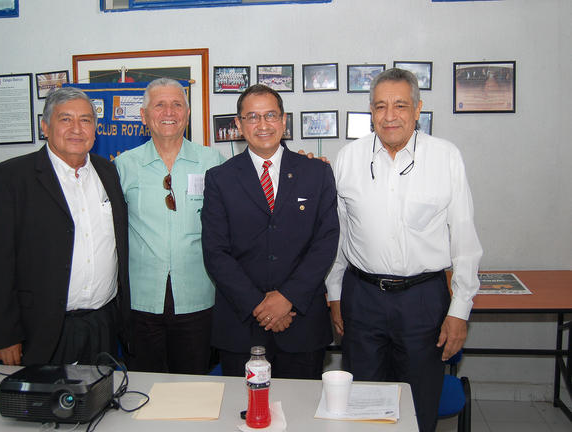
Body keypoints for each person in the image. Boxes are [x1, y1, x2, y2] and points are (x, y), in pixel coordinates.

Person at [325, 68, 483, 432]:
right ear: (371, 112)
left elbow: (464, 239)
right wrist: (334, 294)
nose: (389, 115)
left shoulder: (445, 157)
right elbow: (338, 236)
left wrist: (460, 310)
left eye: (400, 105)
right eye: (380, 106)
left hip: (422, 301)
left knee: (418, 406)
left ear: (417, 109)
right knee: (362, 406)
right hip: (362, 298)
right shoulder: (348, 158)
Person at [0, 87, 130, 366]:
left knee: (101, 394)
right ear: (45, 126)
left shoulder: (108, 172)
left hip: (103, 323)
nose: (77, 129)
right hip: (42, 328)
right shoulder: (10, 178)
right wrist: (5, 335)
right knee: (45, 395)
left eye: (85, 120)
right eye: (66, 119)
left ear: (95, 129)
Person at [201, 84, 339, 379]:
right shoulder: (219, 179)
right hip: (241, 325)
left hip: (302, 322)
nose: (262, 125)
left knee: (302, 406)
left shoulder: (317, 173)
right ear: (238, 125)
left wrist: (287, 298)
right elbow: (215, 252)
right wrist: (260, 305)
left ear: (284, 120)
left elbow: (325, 242)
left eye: (270, 115)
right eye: (252, 117)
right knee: (242, 406)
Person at [114, 78, 224, 374]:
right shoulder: (124, 166)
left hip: (198, 299)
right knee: (145, 387)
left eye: (177, 104)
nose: (169, 112)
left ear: (187, 114)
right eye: (159, 105)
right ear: (144, 115)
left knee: (193, 386)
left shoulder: (213, 161)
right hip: (141, 303)